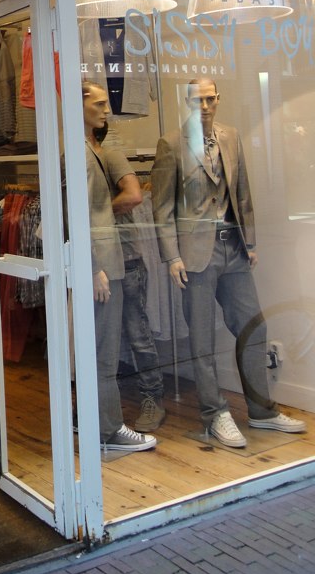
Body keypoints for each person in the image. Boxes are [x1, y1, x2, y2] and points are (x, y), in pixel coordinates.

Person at [150, 78, 305, 447]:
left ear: (218, 99)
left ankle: (261, 411)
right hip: (195, 255)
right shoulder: (170, 144)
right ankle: (214, 413)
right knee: (202, 338)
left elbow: (243, 192)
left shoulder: (231, 136)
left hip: (233, 248)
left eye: (209, 99)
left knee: (253, 328)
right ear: (186, 102)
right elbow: (162, 207)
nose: (204, 106)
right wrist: (172, 256)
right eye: (197, 100)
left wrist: (249, 241)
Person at [81, 82, 157, 452]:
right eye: (98, 104)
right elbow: (75, 214)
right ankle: (108, 429)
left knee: (109, 344)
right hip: (103, 262)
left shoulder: (96, 151)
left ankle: (102, 421)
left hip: (112, 258)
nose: (106, 110)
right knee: (104, 348)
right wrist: (94, 264)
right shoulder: (79, 153)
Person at [97, 124, 166, 432]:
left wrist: (97, 213)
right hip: (98, 261)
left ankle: (153, 397)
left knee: (137, 331)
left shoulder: (110, 156)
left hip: (126, 259)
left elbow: (135, 196)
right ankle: (98, 403)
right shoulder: (83, 160)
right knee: (100, 336)